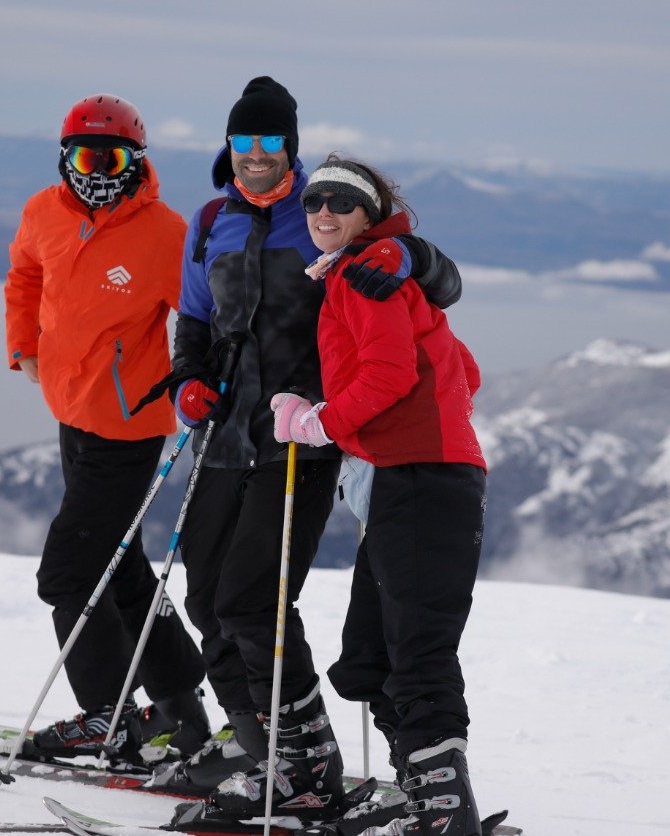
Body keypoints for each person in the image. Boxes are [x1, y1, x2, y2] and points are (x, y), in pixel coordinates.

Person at [161, 77, 463, 819]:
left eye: (270, 140)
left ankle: (303, 763)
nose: (256, 152)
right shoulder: (211, 220)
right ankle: (258, 743)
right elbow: (193, 320)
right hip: (224, 436)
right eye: (244, 139)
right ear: (228, 145)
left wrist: (410, 255)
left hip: (303, 441)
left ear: (290, 146)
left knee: (253, 598)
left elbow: (431, 277)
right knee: (208, 598)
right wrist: (187, 382)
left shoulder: (322, 214)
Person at [270, 156, 487, 836]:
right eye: (314, 201)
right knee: (371, 656)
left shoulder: (364, 275)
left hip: (421, 478)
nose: (323, 212)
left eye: (341, 201)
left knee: (415, 651)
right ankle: (419, 797)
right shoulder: (376, 273)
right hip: (411, 476)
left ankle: (442, 813)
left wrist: (321, 422)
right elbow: (464, 369)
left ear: (368, 214)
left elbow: (391, 373)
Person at [2, 93, 210, 766]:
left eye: (112, 159)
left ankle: (108, 718)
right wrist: (24, 347)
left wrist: (203, 379)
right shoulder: (44, 210)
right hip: (71, 413)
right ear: (64, 158)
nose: (97, 172)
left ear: (137, 162)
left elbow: (201, 317)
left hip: (128, 427)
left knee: (71, 572)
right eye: (86, 158)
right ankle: (181, 706)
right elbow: (24, 274)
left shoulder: (165, 232)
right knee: (119, 565)